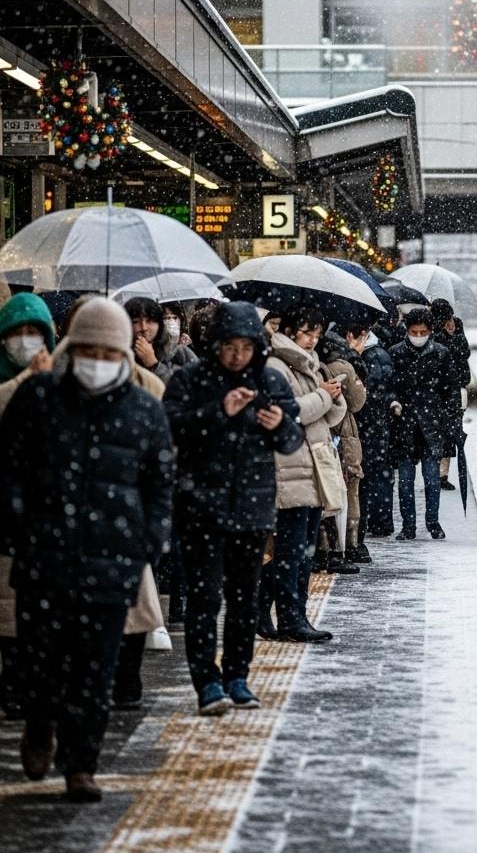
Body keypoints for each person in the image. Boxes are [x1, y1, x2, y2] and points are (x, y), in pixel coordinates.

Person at [0, 298, 174, 801]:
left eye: (108, 351)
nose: (98, 359)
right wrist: (16, 524)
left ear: (123, 354)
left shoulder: (143, 409)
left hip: (111, 564)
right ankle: (39, 724)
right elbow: (8, 466)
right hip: (43, 559)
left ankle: (82, 764)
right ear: (73, 348)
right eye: (88, 349)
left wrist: (150, 540)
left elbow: (160, 482)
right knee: (41, 662)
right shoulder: (38, 396)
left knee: (95, 673)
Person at [163, 301, 303, 714]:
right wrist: (218, 414)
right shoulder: (191, 379)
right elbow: (172, 428)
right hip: (200, 507)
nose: (237, 355)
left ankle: (237, 676)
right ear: (215, 345)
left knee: (245, 597)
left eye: (245, 347)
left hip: (252, 507)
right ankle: (206, 682)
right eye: (229, 347)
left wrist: (280, 425)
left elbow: (292, 441)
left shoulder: (270, 380)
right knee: (204, 598)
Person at [262, 306, 346, 642]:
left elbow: (329, 418)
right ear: (290, 330)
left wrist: (332, 396)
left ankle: (272, 608)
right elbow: (290, 413)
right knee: (293, 551)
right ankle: (290, 618)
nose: (312, 340)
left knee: (303, 550)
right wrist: (323, 395)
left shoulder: (308, 364)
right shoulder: (275, 365)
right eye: (307, 332)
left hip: (314, 465)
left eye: (316, 333)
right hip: (290, 467)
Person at [0, 293, 56, 721]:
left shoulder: (65, 379)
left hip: (48, 511)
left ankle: (28, 686)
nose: (24, 342)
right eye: (15, 334)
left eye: (33, 333)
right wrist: (26, 383)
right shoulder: (11, 380)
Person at [389, 307, 462, 540]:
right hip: (406, 425)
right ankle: (408, 526)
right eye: (414, 331)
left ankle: (433, 523)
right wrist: (393, 402)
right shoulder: (396, 353)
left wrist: (451, 422)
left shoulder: (441, 353)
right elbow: (389, 386)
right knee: (405, 483)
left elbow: (451, 390)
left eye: (422, 332)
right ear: (407, 331)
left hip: (432, 426)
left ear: (430, 331)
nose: (418, 336)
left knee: (432, 480)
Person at [317, 327, 369, 564]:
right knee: (349, 490)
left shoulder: (309, 365)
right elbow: (357, 403)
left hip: (317, 435)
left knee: (321, 491)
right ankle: (349, 545)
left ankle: (322, 547)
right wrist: (355, 361)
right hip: (343, 434)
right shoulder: (343, 365)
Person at [357, 323, 398, 538]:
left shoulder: (374, 355)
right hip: (373, 424)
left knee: (373, 475)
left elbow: (381, 389)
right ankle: (378, 521)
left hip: (371, 424)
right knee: (375, 474)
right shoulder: (377, 353)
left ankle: (378, 521)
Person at [430, 299, 471, 492]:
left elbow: (465, 352)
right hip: (438, 390)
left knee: (451, 433)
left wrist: (455, 334)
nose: (449, 320)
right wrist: (447, 335)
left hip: (455, 390)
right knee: (437, 433)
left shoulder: (458, 325)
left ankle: (442, 474)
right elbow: (441, 354)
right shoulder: (432, 332)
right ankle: (436, 473)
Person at [124, 296, 197, 383]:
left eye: (149, 321)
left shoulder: (179, 354)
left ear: (159, 324)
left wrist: (154, 364)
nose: (143, 328)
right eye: (135, 322)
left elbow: (190, 386)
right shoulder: (119, 355)